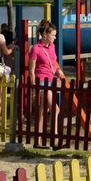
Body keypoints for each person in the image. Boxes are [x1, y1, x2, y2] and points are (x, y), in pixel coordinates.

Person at [28, 20, 67, 148]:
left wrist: (60, 75)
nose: (55, 37)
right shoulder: (35, 49)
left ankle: (37, 141)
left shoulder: (52, 47)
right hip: (42, 82)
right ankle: (55, 140)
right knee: (55, 109)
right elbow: (32, 70)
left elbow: (53, 64)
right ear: (45, 34)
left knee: (43, 110)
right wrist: (34, 87)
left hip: (51, 80)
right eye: (53, 35)